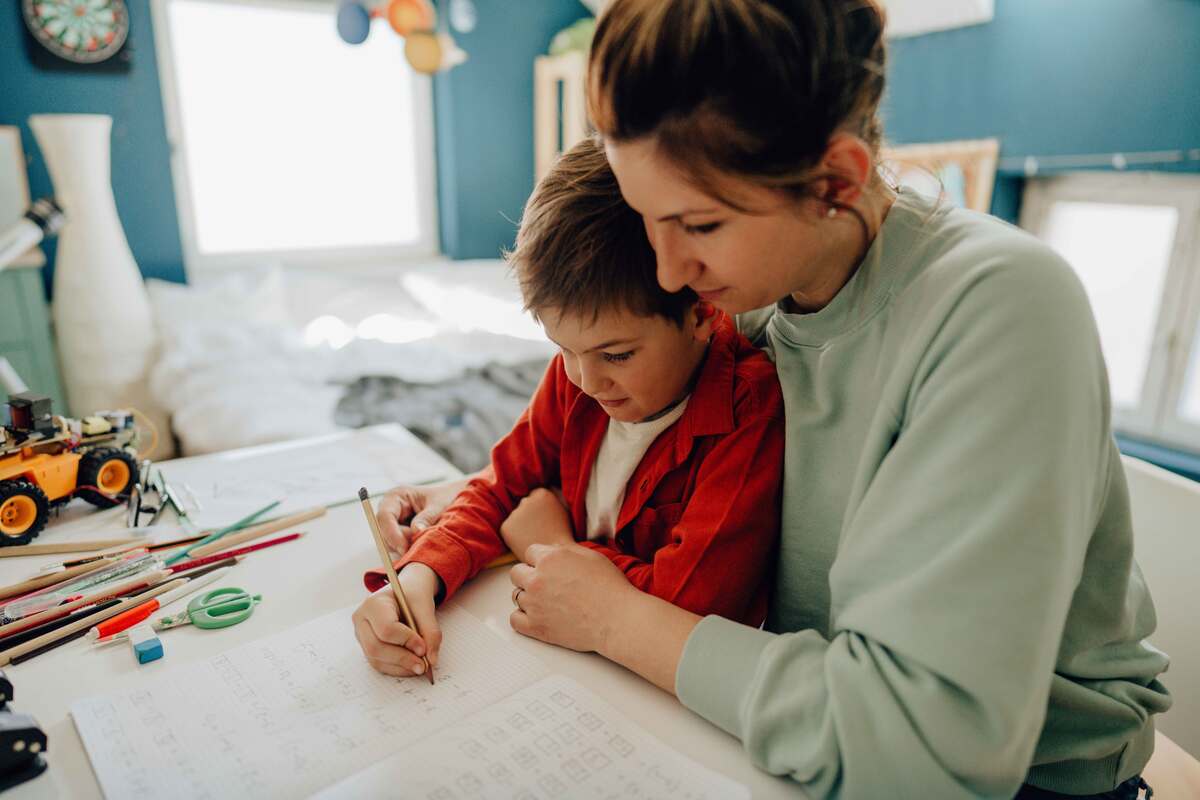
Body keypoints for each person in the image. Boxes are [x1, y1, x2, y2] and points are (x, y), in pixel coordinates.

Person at [373, 2, 1172, 797]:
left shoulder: (1001, 308)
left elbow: (927, 752)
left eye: (698, 224)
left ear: (836, 182)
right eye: (646, 217)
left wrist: (615, 617)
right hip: (778, 721)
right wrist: (458, 506)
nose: (663, 270)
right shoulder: (747, 288)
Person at [353, 138, 784, 678]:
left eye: (617, 354)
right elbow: (500, 487)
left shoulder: (746, 411)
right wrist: (419, 579)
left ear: (701, 312)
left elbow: (685, 608)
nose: (585, 379)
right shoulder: (576, 374)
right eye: (562, 349)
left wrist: (549, 543)